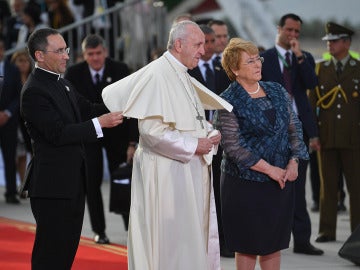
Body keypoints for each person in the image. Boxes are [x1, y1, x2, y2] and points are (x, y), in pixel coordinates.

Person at [102, 20, 233, 270]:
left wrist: (208, 133)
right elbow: (152, 133)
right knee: (170, 243)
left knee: (188, 240)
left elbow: (190, 119)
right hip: (166, 177)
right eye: (198, 45)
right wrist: (196, 144)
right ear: (179, 44)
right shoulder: (157, 74)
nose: (202, 51)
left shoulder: (181, 73)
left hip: (185, 174)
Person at [20, 27, 124, 269]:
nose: (67, 55)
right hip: (51, 188)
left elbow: (88, 108)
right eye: (59, 51)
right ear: (40, 55)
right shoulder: (34, 91)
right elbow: (57, 133)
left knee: (65, 255)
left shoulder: (62, 84)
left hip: (72, 184)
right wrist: (101, 123)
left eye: (66, 49)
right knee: (50, 256)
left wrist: (125, 105)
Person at [213, 37, 308, 270]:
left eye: (258, 59)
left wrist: (294, 161)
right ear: (235, 69)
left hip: (280, 182)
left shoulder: (276, 89)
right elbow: (233, 147)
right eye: (250, 61)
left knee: (273, 243)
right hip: (245, 185)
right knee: (247, 244)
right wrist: (270, 169)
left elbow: (294, 127)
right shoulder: (227, 100)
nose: (258, 65)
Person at [260, 13, 323, 256]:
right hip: (273, 131)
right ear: (279, 29)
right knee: (272, 186)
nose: (293, 35)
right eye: (289, 30)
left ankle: (303, 240)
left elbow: (311, 83)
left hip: (299, 131)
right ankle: (269, 237)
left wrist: (298, 56)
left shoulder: (303, 58)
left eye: (297, 32)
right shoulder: (264, 58)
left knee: (298, 188)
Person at [64, 33, 138, 243]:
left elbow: (132, 107)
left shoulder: (120, 70)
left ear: (105, 52)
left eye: (98, 53)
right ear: (83, 55)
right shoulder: (74, 73)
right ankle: (100, 231)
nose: (95, 58)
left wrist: (132, 142)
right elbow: (74, 108)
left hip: (118, 134)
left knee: (124, 179)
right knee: (91, 182)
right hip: (89, 134)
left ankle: (130, 228)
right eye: (90, 54)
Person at [308, 22, 360, 243]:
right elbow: (311, 104)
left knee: (356, 187)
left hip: (353, 137)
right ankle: (327, 230)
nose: (329, 44)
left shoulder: (358, 68)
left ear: (346, 43)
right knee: (327, 186)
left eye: (334, 40)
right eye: (328, 41)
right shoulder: (321, 69)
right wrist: (313, 134)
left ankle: (357, 233)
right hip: (326, 137)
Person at [188, 24, 232, 258]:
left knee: (220, 193)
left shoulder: (223, 68)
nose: (208, 46)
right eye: (203, 41)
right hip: (194, 142)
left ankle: (223, 240)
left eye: (211, 41)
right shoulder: (185, 70)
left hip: (221, 141)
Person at [0, 35, 22, 204]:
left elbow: (18, 95)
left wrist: (7, 113)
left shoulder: (12, 69)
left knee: (10, 157)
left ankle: (11, 192)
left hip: (9, 122)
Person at [10, 50, 33, 189]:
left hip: (28, 122)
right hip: (14, 122)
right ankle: (15, 184)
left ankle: (24, 185)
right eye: (20, 61)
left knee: (25, 155)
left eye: (25, 60)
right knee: (15, 155)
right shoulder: (10, 79)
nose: (23, 64)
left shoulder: (33, 78)